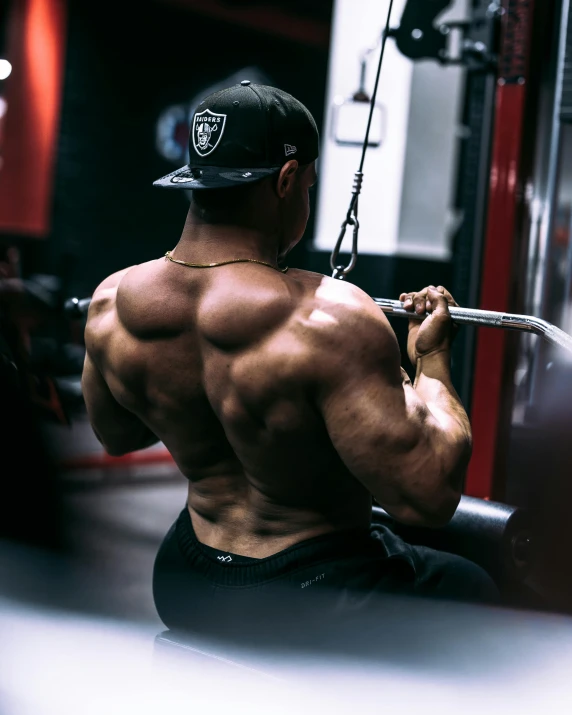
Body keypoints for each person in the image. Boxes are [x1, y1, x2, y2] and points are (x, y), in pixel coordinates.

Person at [82, 83, 497, 636]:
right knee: (476, 585)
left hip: (185, 576)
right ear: (285, 181)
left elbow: (118, 436)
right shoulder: (329, 319)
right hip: (311, 592)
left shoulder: (111, 303)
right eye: (308, 184)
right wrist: (432, 359)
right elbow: (429, 496)